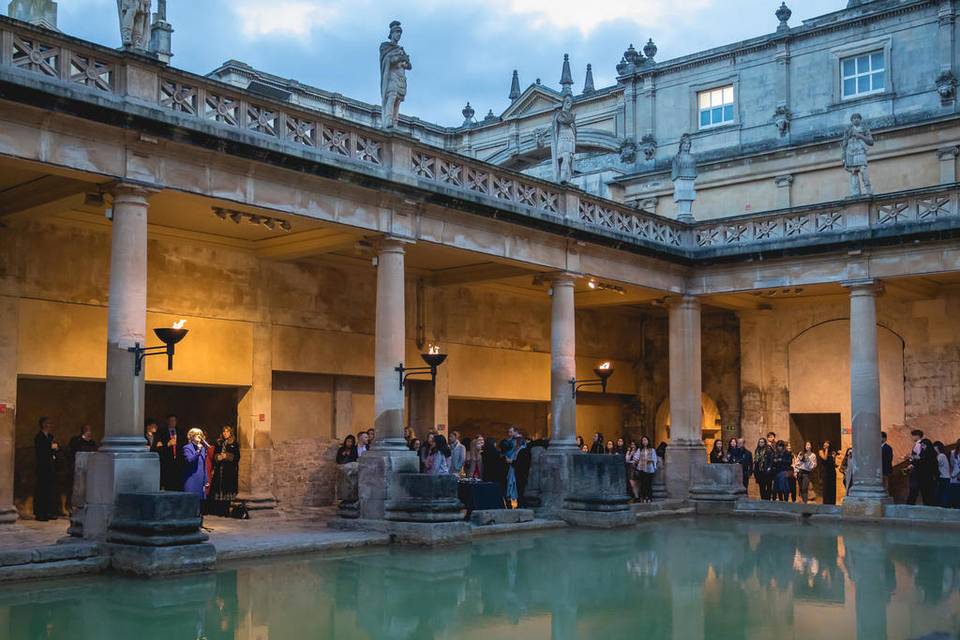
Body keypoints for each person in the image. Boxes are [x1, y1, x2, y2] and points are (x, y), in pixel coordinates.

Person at [33, 417, 60, 521]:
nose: (50, 425)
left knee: (50, 490)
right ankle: (40, 513)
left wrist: (56, 448)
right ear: (43, 424)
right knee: (41, 490)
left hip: (51, 466)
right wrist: (51, 447)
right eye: (48, 423)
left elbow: (56, 447)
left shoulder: (51, 436)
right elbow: (41, 451)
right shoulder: (39, 437)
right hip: (42, 467)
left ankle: (48, 512)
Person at [211, 426, 240, 515]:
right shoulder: (219, 443)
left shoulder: (234, 444)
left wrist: (227, 456)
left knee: (227, 489)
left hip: (229, 470)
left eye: (227, 432)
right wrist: (217, 457)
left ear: (230, 433)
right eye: (224, 432)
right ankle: (218, 510)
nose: (225, 433)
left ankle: (225, 511)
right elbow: (214, 454)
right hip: (219, 469)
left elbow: (237, 457)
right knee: (219, 489)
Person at [157, 414, 184, 491]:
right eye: (171, 421)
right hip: (167, 462)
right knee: (168, 484)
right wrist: (168, 444)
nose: (173, 422)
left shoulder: (180, 432)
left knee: (177, 484)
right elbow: (158, 448)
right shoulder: (162, 432)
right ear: (167, 421)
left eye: (174, 421)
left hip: (178, 461)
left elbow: (184, 444)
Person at [181, 428, 209, 500]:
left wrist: (206, 479)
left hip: (200, 478)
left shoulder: (203, 448)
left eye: (200, 434)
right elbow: (190, 460)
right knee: (190, 500)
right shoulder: (187, 448)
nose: (199, 436)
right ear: (191, 436)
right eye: (196, 434)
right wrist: (198, 451)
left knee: (200, 501)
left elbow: (204, 465)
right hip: (191, 479)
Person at [632, 436, 658, 502]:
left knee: (648, 484)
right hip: (641, 468)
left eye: (645, 440)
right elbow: (636, 457)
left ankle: (649, 497)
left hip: (650, 469)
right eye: (643, 440)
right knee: (643, 484)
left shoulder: (652, 450)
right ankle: (643, 497)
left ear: (648, 441)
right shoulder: (640, 450)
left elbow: (655, 459)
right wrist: (635, 462)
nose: (644, 442)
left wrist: (652, 461)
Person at [915, 438, 938, 506]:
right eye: (921, 446)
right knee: (924, 494)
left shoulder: (931, 453)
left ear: (927, 445)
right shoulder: (923, 453)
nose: (922, 447)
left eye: (923, 445)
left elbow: (931, 464)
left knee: (930, 494)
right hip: (922, 477)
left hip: (929, 477)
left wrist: (920, 459)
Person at [905, 429, 925, 505]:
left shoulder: (919, 444)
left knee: (914, 487)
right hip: (915, 468)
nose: (912, 437)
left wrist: (910, 457)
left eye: (913, 436)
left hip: (916, 470)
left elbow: (919, 457)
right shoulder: (918, 444)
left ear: (917, 436)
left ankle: (910, 503)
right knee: (914, 488)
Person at [934, 441, 951, 507]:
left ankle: (943, 508)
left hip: (944, 478)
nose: (933, 448)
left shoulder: (941, 455)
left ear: (938, 447)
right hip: (944, 477)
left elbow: (936, 464)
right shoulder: (941, 455)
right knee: (943, 494)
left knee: (943, 494)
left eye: (934, 446)